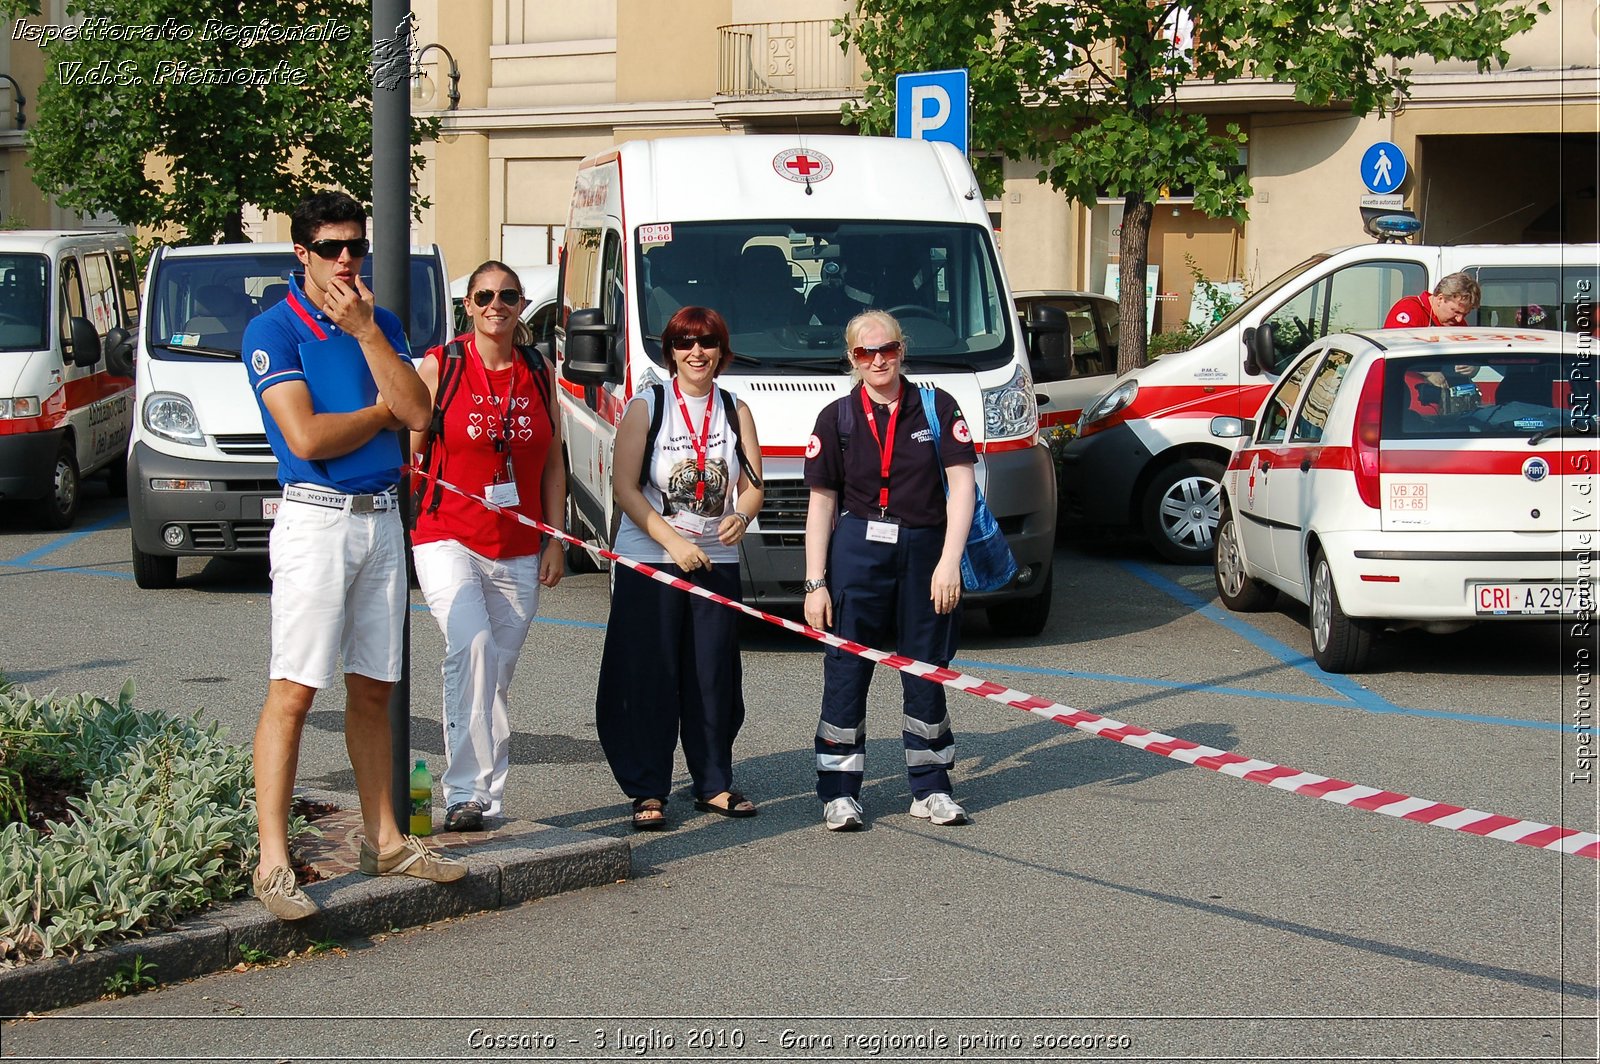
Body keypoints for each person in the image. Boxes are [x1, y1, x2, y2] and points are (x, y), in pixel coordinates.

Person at [243, 191, 465, 920]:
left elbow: (424, 413)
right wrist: (382, 413)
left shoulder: (381, 320)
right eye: (332, 247)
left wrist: (371, 335)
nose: (347, 259)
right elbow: (306, 438)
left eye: (355, 247)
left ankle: (387, 839)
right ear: (301, 253)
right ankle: (273, 863)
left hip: (379, 517)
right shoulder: (272, 329)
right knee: (295, 689)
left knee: (374, 687)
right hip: (316, 519)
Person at [801, 310, 976, 832]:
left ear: (902, 350)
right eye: (865, 352)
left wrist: (949, 562)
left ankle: (932, 787)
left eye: (888, 349)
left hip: (924, 551)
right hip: (857, 552)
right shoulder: (836, 417)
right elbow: (821, 505)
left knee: (926, 671)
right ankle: (838, 793)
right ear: (851, 358)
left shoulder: (936, 406)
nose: (878, 360)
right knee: (847, 673)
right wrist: (815, 582)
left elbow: (963, 487)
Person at [410, 261, 566, 833]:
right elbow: (411, 449)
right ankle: (462, 793)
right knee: (471, 647)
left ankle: (485, 797)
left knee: (494, 672)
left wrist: (553, 538)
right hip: (446, 534)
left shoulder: (538, 368)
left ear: (522, 305)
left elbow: (553, 460)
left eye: (507, 295)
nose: (495, 304)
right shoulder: (442, 366)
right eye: (484, 296)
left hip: (519, 545)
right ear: (469, 306)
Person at [595, 306, 765, 830]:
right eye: (686, 342)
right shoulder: (648, 406)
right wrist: (671, 543)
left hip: (715, 560)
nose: (697, 353)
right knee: (649, 673)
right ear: (670, 350)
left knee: (713, 675)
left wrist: (741, 514)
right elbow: (625, 487)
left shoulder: (736, 409)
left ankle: (713, 781)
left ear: (721, 351)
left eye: (707, 343)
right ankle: (648, 788)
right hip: (653, 559)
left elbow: (754, 484)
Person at [1383, 272, 1481, 328]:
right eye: (1455, 312)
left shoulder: (1459, 325)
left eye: (1464, 314)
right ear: (1440, 299)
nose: (1459, 319)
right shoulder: (1410, 310)